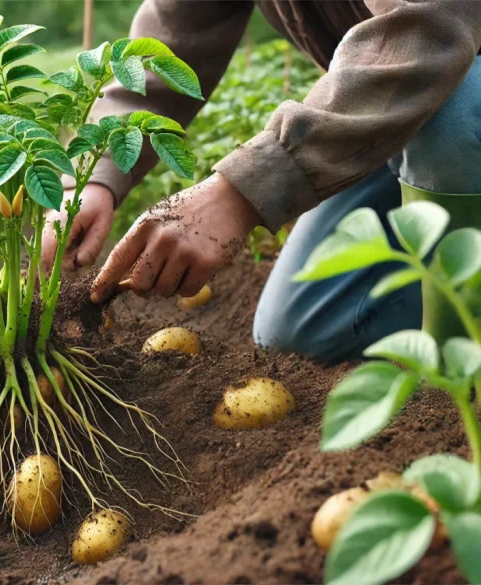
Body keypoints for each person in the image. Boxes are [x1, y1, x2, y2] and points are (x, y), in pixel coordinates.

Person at [41, 0, 481, 363]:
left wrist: (236, 195)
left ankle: (461, 366)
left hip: (453, 90)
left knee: (453, 117)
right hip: (392, 113)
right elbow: (172, 40)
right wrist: (93, 177)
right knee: (305, 330)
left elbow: (428, 26)